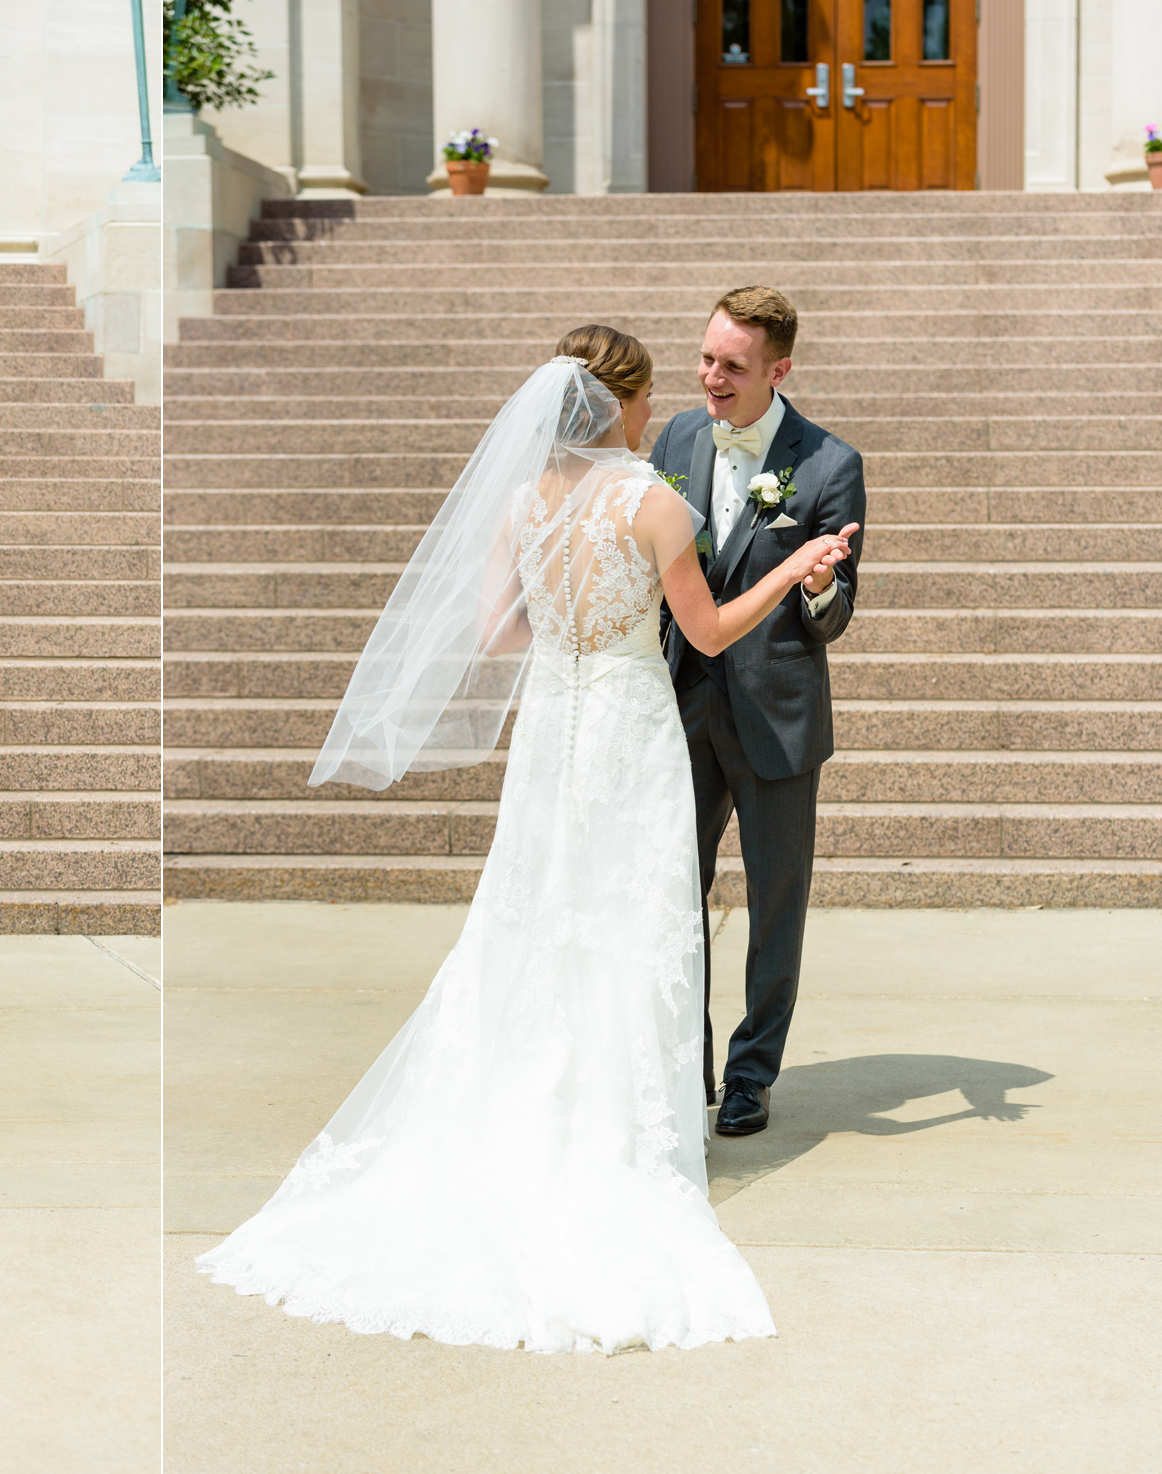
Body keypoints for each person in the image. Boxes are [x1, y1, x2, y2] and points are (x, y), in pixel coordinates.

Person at [196, 334, 855, 1353]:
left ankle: (518, 1103)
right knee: (625, 914)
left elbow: (498, 633)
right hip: (630, 727)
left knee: (538, 908)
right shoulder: (650, 503)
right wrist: (799, 567)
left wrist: (573, 629)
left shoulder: (520, 503)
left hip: (552, 726)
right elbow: (713, 630)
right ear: (623, 403)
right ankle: (614, 1121)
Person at [650, 287, 867, 1138]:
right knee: (673, 898)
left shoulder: (829, 463)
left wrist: (817, 588)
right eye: (705, 357)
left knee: (778, 905)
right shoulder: (672, 437)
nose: (710, 376)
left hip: (778, 717)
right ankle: (684, 1063)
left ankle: (751, 1076)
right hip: (678, 707)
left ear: (779, 369)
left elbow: (840, 608)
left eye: (731, 366)